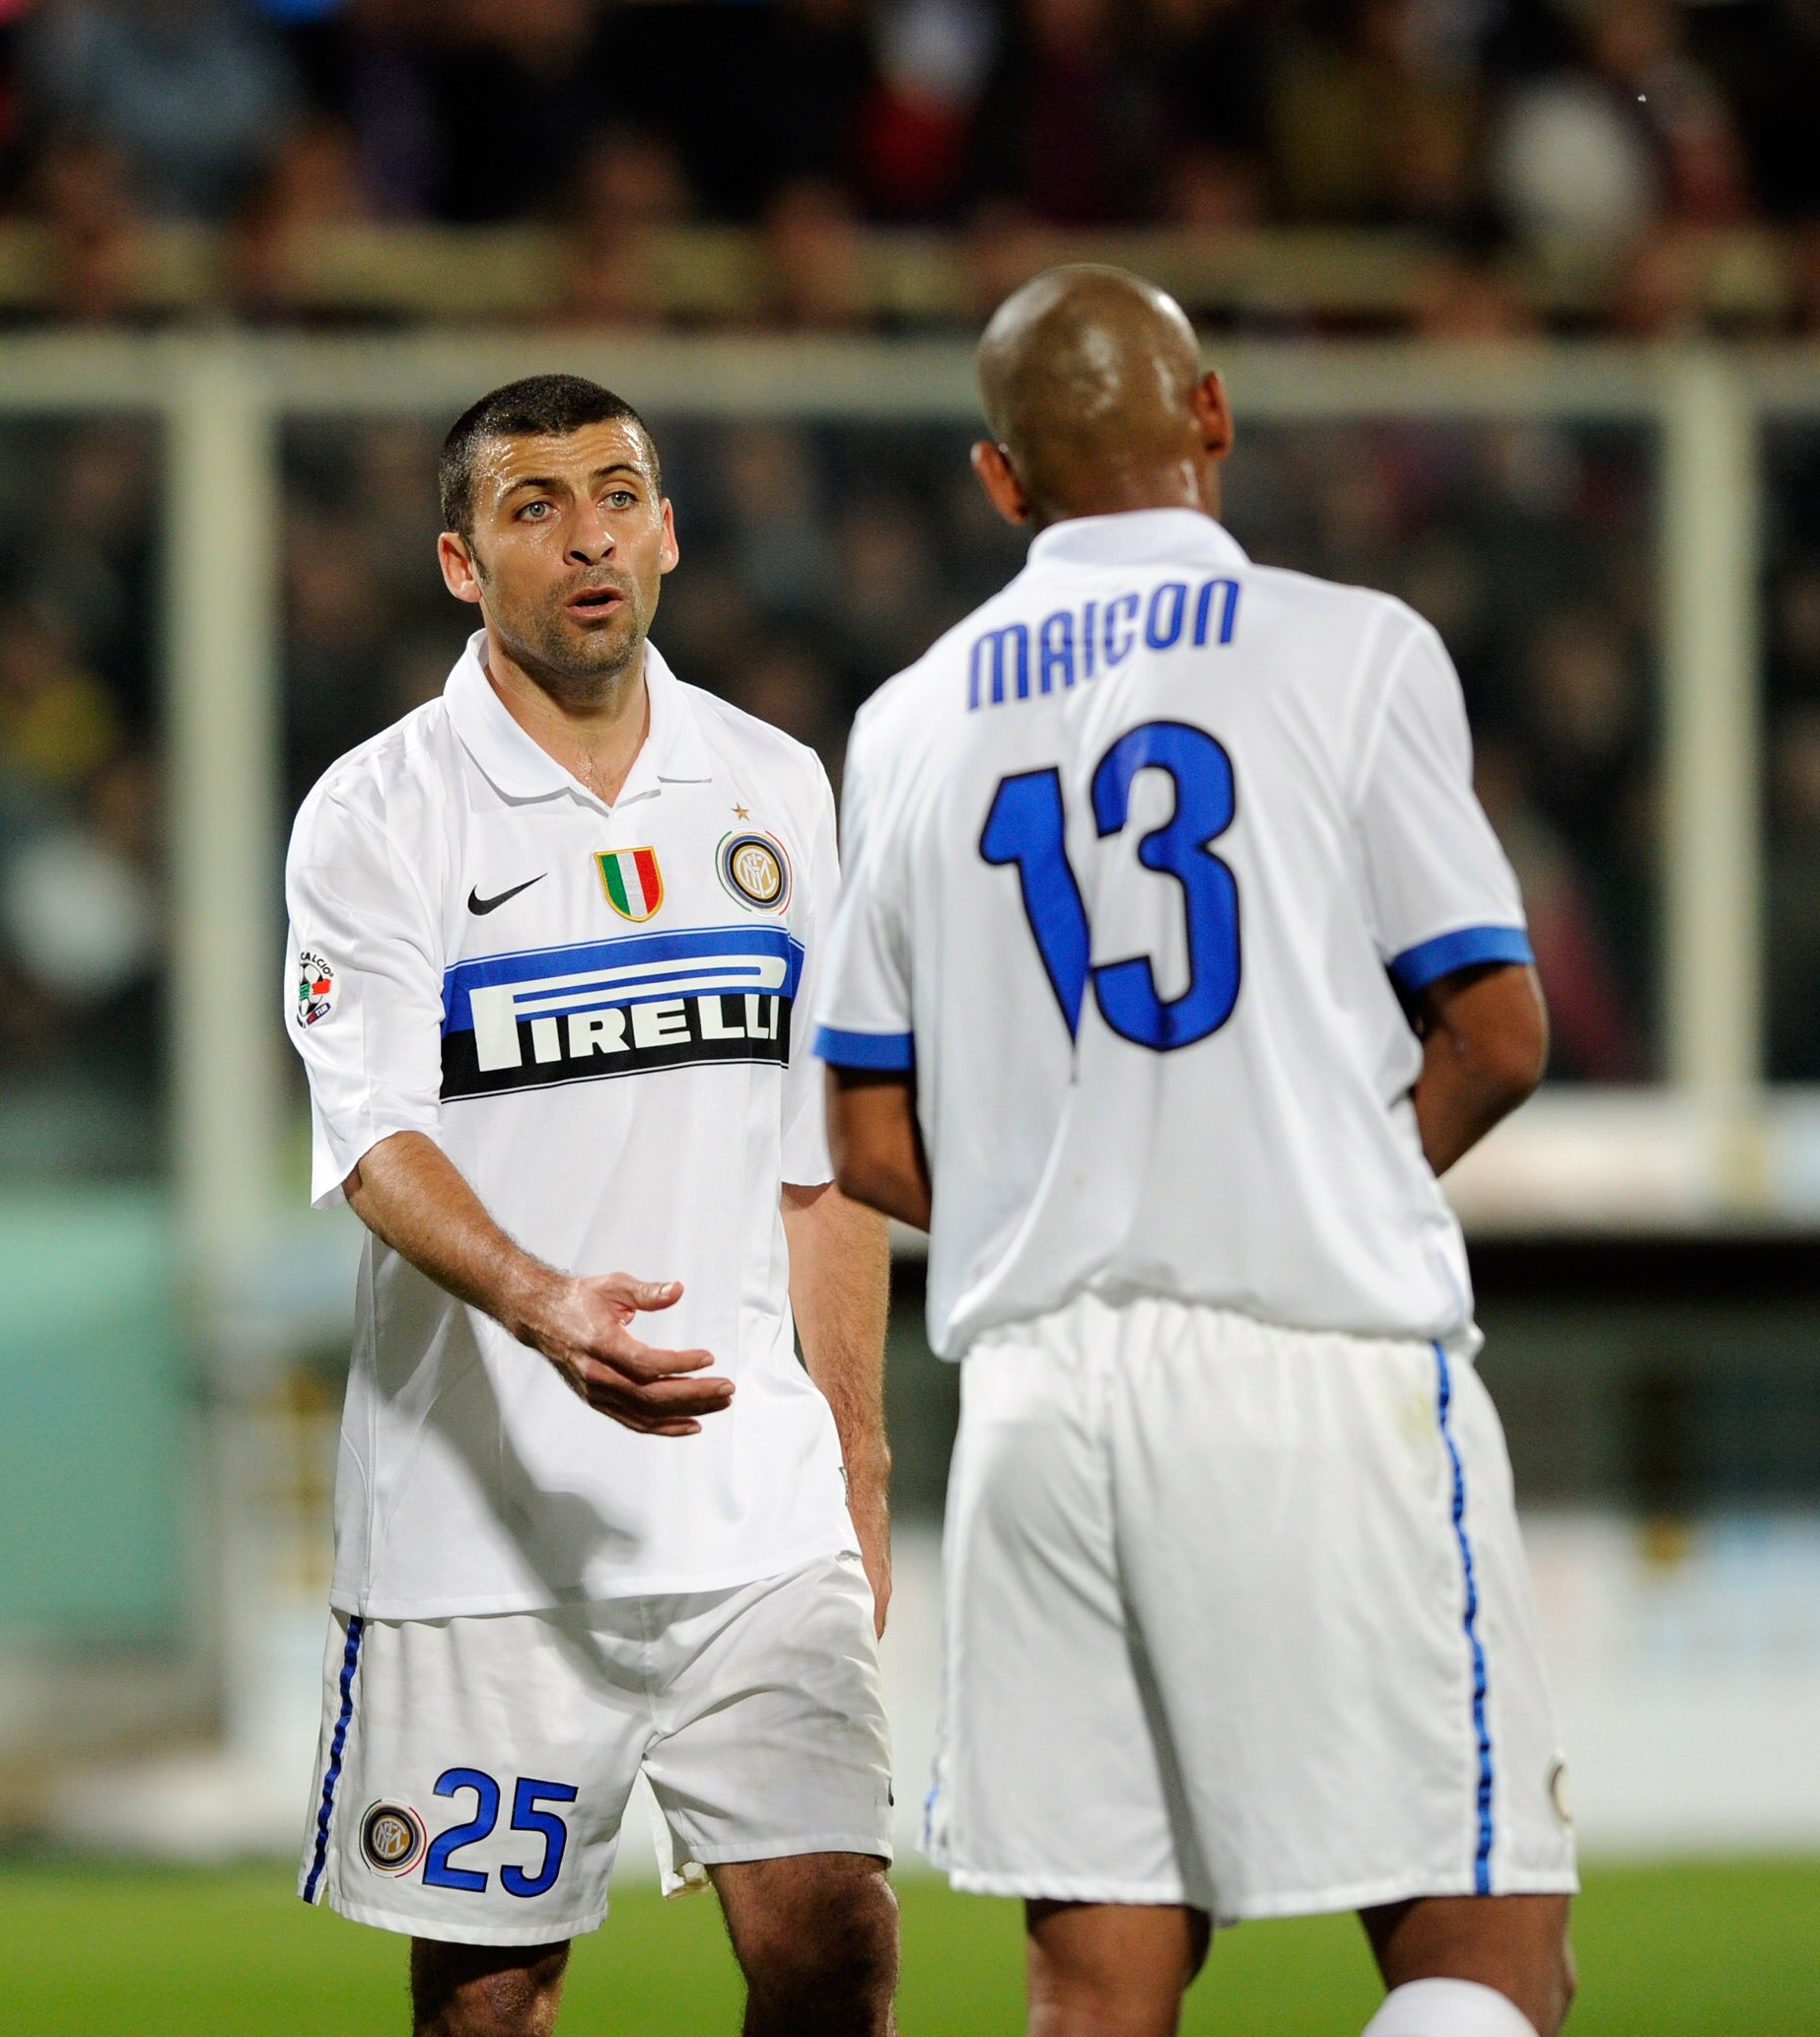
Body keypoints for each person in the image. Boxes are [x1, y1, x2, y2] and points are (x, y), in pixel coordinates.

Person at [814, 266, 1575, 2037]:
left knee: (1094, 1990)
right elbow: (1499, 1034)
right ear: (1214, 416)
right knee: (1484, 1953)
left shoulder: (908, 720)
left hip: (1032, 1408)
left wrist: (1051, 1200)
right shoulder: (1351, 648)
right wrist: (1313, 1177)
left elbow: (859, 1129)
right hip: (1312, 1358)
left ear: (1001, 486)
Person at [281, 376, 900, 2036]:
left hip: (750, 1496)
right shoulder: (378, 813)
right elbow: (373, 1140)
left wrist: (855, 1446)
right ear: (460, 564)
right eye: (533, 507)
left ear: (672, 532)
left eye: (617, 495)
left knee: (833, 1935)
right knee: (491, 2002)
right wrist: (540, 1296)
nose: (586, 538)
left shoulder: (778, 789)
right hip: (486, 1518)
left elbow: (820, 1160)